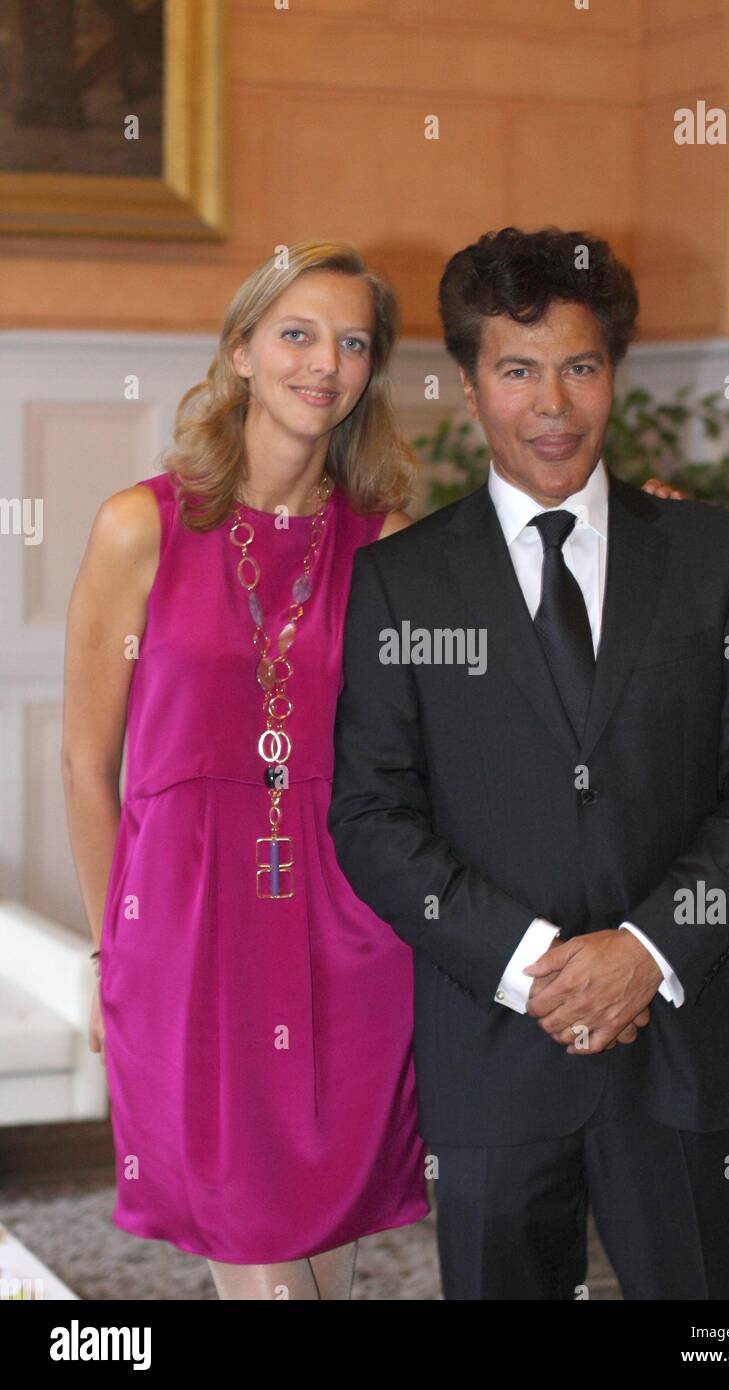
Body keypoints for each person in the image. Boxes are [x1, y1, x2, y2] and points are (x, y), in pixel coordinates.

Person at [327, 225, 729, 1300]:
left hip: (688, 1048)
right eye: (515, 368)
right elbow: (370, 814)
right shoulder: (401, 584)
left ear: (612, 377)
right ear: (467, 384)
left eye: (579, 365)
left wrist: (645, 948)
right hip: (494, 1054)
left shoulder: (712, 556)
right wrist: (534, 965)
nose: (551, 404)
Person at [61, 242, 430, 1301]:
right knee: (261, 1262)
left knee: (323, 1253)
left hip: (346, 927)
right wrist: (111, 945)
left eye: (352, 342)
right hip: (187, 926)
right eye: (298, 333)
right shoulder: (140, 527)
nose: (325, 362)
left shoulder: (387, 542)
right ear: (240, 352)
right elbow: (87, 763)